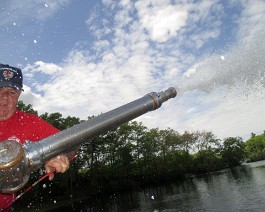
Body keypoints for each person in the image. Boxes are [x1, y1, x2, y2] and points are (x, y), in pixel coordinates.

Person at [0, 64, 74, 211]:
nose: (4, 98)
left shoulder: (28, 122)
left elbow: (71, 144)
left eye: (12, 92)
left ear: (19, 95)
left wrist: (57, 154)